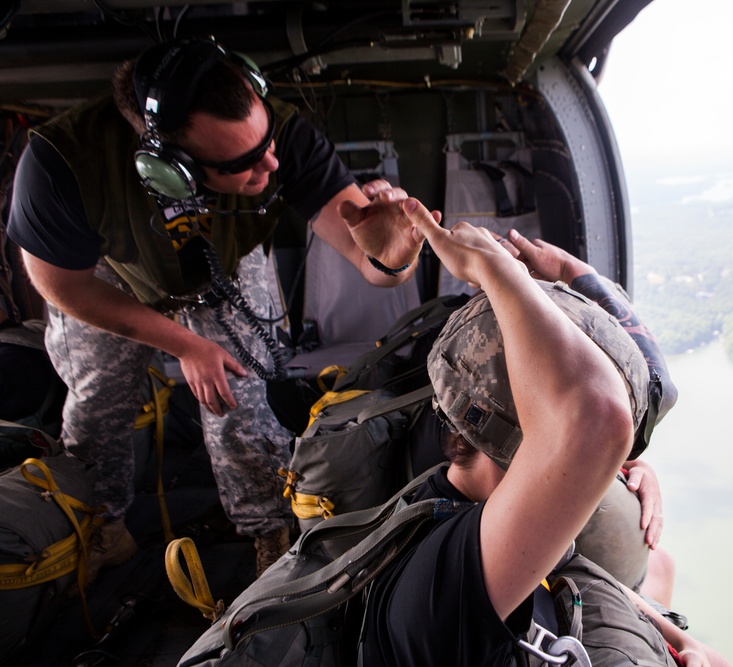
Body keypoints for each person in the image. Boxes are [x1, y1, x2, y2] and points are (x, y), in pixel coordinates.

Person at [5, 37, 425, 578]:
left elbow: (371, 263)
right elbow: (59, 285)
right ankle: (103, 528)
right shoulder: (60, 163)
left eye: (267, 142)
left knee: (246, 405)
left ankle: (270, 536)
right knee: (98, 402)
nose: (271, 163)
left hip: (222, 256)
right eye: (244, 164)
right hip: (108, 270)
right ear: (170, 168)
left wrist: (391, 259)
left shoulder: (284, 139)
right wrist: (184, 344)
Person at [358, 197, 728, 666]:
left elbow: (643, 397)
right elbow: (597, 417)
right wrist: (491, 268)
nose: (613, 463)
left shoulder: (503, 518)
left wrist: (679, 640)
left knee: (658, 562)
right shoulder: (440, 593)